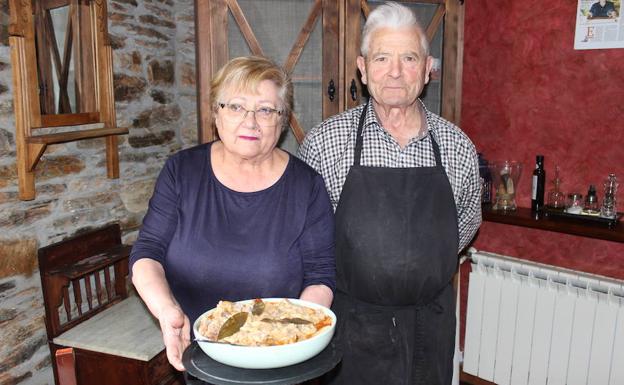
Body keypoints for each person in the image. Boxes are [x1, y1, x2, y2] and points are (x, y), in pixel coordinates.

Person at [297, 2, 481, 384]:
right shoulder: (325, 143)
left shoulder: (457, 146)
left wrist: (413, 273)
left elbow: (465, 225)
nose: (395, 72)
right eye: (382, 58)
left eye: (409, 58)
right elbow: (306, 238)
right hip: (351, 329)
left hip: (430, 326)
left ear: (428, 69)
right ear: (363, 70)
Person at [130, 56, 336, 371]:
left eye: (266, 110)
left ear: (282, 120)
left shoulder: (306, 186)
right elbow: (147, 252)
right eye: (236, 107)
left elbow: (320, 277)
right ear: (216, 113)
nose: (250, 122)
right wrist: (167, 310)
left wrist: (289, 338)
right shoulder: (181, 172)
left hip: (280, 359)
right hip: (200, 351)